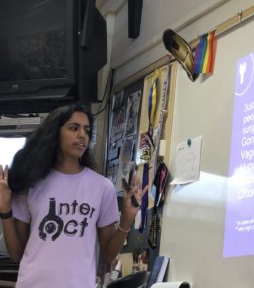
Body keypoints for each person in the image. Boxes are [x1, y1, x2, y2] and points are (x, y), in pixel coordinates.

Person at [0, 103, 145, 288]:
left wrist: (127, 218)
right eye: (74, 128)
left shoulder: (102, 187)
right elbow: (17, 253)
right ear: (55, 133)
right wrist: (5, 209)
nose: (82, 135)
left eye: (86, 130)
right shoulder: (31, 182)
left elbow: (108, 255)